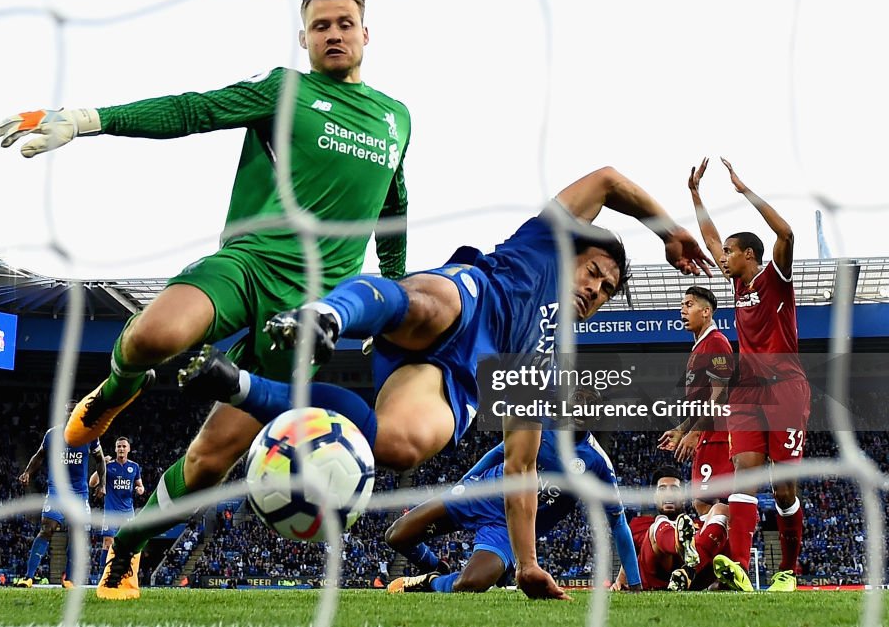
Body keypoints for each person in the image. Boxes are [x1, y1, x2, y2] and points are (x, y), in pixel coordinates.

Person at [0, 0, 411, 599]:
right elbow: (196, 109)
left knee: (209, 463)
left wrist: (400, 297)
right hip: (251, 264)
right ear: (304, 37)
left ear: (365, 33)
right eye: (320, 26)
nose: (333, 34)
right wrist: (89, 120)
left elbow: (394, 211)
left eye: (344, 24)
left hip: (309, 315)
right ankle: (113, 394)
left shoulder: (395, 117)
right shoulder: (284, 90)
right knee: (153, 335)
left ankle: (128, 552)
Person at [181, 165, 712, 599]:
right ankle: (327, 318)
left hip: (453, 380)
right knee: (430, 303)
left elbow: (521, 468)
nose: (596, 287)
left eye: (606, 290)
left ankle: (241, 387)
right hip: (473, 299)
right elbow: (608, 180)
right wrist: (667, 229)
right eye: (594, 271)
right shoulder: (546, 245)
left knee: (399, 446)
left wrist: (527, 564)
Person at [688, 157, 809, 592]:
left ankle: (787, 572)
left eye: (729, 253)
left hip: (786, 392)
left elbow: (787, 234)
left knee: (782, 490)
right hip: (748, 394)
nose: (723, 257)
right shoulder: (738, 288)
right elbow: (710, 237)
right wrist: (696, 196)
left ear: (749, 256)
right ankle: (738, 566)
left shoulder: (776, 277)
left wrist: (744, 191)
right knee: (744, 474)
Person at [383, 416, 642, 594]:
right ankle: (434, 567)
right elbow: (499, 451)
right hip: (479, 494)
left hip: (508, 527)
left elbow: (618, 524)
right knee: (396, 535)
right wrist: (467, 480)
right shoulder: (541, 426)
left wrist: (635, 583)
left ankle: (433, 582)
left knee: (472, 582)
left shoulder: (596, 462)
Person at [658, 286, 735, 516]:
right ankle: (719, 550)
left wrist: (695, 432)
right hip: (705, 435)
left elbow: (721, 395)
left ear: (706, 311)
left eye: (689, 305)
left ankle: (735, 548)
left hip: (717, 438)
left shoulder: (716, 342)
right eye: (682, 305)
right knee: (702, 504)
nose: (682, 310)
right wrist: (683, 429)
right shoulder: (700, 346)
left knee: (713, 503)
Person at [15, 406, 105, 588]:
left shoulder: (89, 435)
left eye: (74, 413)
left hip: (79, 493)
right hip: (57, 490)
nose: (70, 415)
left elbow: (100, 459)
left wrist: (102, 484)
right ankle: (28, 577)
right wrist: (27, 473)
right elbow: (39, 456)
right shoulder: (52, 435)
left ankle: (70, 580)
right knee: (47, 529)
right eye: (67, 413)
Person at [611, 467, 730, 592]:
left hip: (693, 581)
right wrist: (620, 582)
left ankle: (688, 570)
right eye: (662, 489)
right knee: (659, 521)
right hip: (656, 581)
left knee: (720, 509)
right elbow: (629, 557)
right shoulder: (639, 524)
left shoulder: (699, 525)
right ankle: (678, 545)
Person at [89, 437, 144, 574]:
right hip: (111, 512)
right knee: (108, 543)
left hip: (127, 513)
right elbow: (92, 482)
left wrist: (140, 490)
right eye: (119, 446)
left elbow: (140, 485)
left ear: (128, 449)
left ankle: (125, 576)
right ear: (115, 449)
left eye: (124, 446)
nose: (121, 449)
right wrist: (102, 464)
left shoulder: (134, 467)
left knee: (128, 545)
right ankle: (103, 576)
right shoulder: (108, 466)